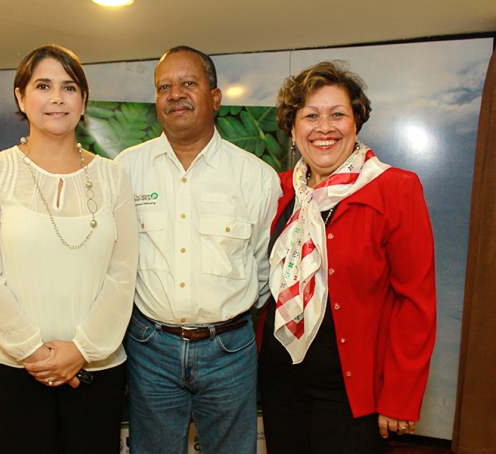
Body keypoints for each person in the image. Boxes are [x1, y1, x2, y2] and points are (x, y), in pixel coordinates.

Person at [0, 44, 138, 453]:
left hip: (95, 367)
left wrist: (82, 349)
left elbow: (122, 274)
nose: (57, 98)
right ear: (21, 97)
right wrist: (33, 352)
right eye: (43, 85)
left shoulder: (113, 178)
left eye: (69, 87)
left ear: (83, 100)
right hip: (7, 367)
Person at [257, 61, 437, 453]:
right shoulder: (278, 189)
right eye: (310, 116)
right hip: (278, 377)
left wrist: (400, 396)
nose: (325, 127)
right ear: (292, 128)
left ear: (356, 122)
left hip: (351, 389)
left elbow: (415, 302)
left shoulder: (396, 189)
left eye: (338, 114)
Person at [115, 45, 281, 454]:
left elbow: (264, 269)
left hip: (230, 350)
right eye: (164, 87)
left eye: (189, 83)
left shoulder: (256, 177)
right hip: (150, 347)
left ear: (216, 97)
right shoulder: (124, 169)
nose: (175, 94)